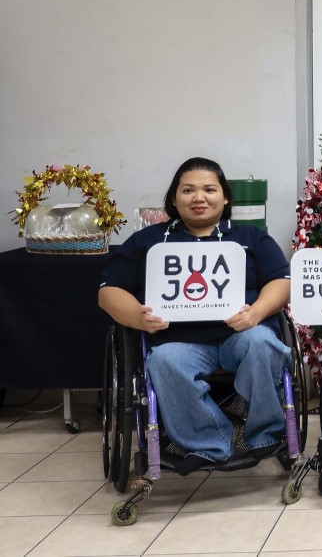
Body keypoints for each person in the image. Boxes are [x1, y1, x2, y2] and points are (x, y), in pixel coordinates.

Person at [98, 157, 291, 473]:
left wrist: (256, 313)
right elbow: (108, 292)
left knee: (262, 343)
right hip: (178, 340)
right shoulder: (148, 241)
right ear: (174, 199)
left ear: (225, 197)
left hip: (241, 333)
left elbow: (282, 282)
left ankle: (263, 435)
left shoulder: (250, 238)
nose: (198, 197)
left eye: (209, 189)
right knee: (162, 361)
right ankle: (210, 443)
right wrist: (136, 315)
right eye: (188, 190)